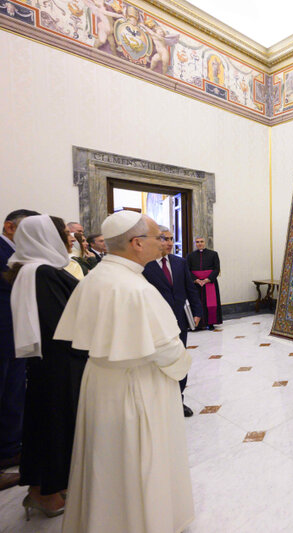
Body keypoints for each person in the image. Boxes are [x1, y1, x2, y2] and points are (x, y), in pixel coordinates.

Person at [55, 211, 193, 533]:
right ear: (136, 244)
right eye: (158, 237)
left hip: (100, 381)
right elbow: (167, 350)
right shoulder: (135, 288)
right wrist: (183, 365)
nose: (163, 244)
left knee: (106, 460)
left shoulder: (95, 277)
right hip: (136, 387)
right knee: (137, 458)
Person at [6, 215, 88, 518]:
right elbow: (62, 326)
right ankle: (45, 491)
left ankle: (48, 487)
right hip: (59, 366)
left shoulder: (33, 269)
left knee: (50, 423)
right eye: (63, 233)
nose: (69, 238)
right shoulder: (41, 273)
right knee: (53, 424)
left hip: (52, 365)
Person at [143, 226, 201, 417]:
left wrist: (197, 311)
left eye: (170, 238)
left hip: (179, 321)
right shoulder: (145, 265)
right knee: (158, 362)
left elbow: (190, 289)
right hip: (155, 323)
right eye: (163, 238)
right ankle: (158, 403)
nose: (168, 243)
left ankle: (179, 400)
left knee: (178, 359)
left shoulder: (179, 262)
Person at [0, 209, 39, 492]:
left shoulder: (21, 254)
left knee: (13, 392)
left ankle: (9, 449)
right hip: (2, 332)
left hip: (15, 335)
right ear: (10, 228)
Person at [187, 237, 222, 330]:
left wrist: (208, 279)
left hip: (209, 282)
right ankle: (197, 324)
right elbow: (187, 270)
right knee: (196, 303)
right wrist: (196, 280)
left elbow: (217, 269)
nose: (200, 244)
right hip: (196, 284)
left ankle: (210, 323)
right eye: (197, 242)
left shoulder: (213, 254)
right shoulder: (190, 256)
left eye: (201, 241)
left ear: (205, 243)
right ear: (195, 243)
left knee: (211, 304)